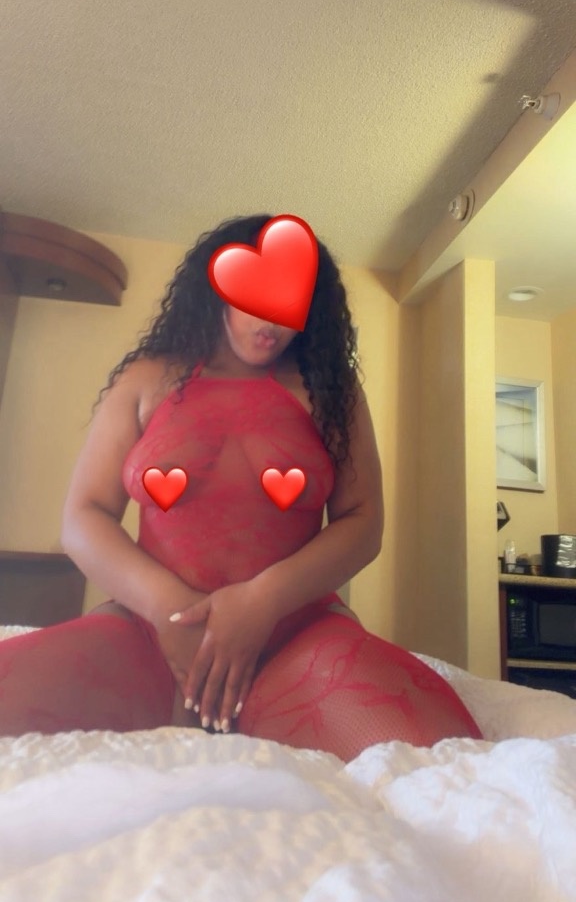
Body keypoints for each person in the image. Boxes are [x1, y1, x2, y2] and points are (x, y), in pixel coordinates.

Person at [0, 215, 482, 760]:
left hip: (296, 636)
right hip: (146, 632)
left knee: (438, 757)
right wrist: (169, 609)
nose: (272, 320)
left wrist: (260, 603)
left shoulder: (332, 392)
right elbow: (84, 516)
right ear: (217, 287)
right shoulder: (146, 378)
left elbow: (363, 522)